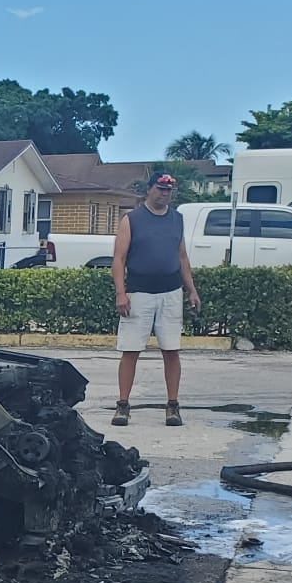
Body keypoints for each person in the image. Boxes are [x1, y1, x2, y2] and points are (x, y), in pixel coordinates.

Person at [111, 173, 202, 427]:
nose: (164, 193)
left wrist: (192, 290)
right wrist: (121, 292)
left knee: (171, 350)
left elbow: (182, 257)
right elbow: (119, 259)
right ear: (150, 189)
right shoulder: (132, 219)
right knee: (130, 350)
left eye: (168, 190)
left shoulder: (177, 220)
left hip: (170, 292)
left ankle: (172, 406)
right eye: (160, 188)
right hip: (138, 292)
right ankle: (123, 405)